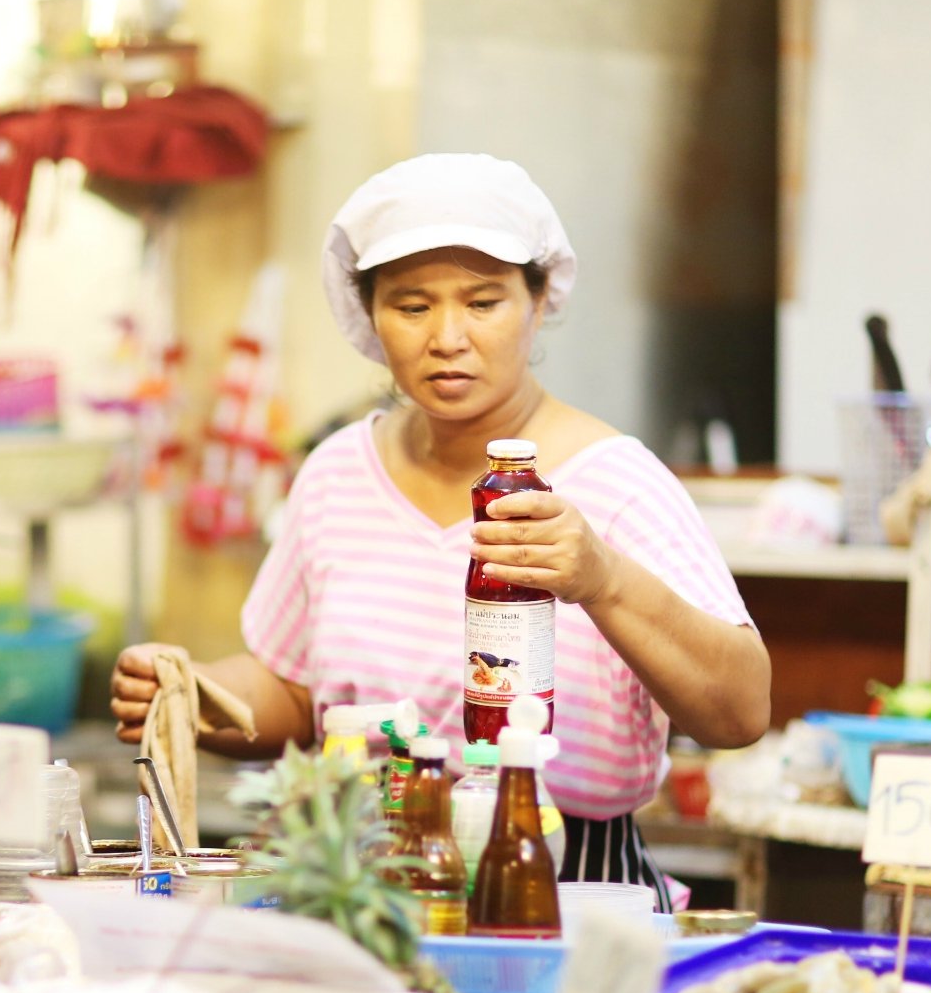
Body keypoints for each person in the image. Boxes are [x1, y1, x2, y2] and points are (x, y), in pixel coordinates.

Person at [110, 155, 770, 904]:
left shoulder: (616, 482)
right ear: (369, 313)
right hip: (367, 885)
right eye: (412, 306)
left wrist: (602, 579)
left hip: (566, 885)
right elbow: (295, 695)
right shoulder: (337, 473)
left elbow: (739, 711)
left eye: (483, 302)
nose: (447, 337)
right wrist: (188, 695)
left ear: (538, 298)